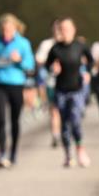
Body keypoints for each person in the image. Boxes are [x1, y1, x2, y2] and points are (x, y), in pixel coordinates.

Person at [45, 17, 95, 167]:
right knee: (64, 124)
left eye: (67, 29)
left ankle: (80, 148)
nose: (64, 32)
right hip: (61, 91)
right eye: (62, 29)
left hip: (77, 90)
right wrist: (53, 68)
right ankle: (68, 154)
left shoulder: (80, 46)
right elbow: (47, 65)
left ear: (73, 30)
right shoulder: (55, 49)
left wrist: (87, 72)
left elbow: (91, 60)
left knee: (75, 121)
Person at [0, 13, 35, 168]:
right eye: (3, 30)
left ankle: (13, 152)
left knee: (15, 120)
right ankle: (2, 153)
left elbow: (30, 65)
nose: (6, 33)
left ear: (15, 29)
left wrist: (19, 61)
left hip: (16, 84)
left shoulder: (23, 43)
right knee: (1, 120)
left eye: (9, 30)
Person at [36, 20, 63, 148]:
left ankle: (65, 132)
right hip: (52, 83)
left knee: (66, 111)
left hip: (70, 84)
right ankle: (56, 135)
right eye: (56, 28)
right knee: (55, 110)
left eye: (60, 28)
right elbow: (39, 60)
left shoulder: (71, 44)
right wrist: (51, 63)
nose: (58, 30)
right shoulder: (46, 44)